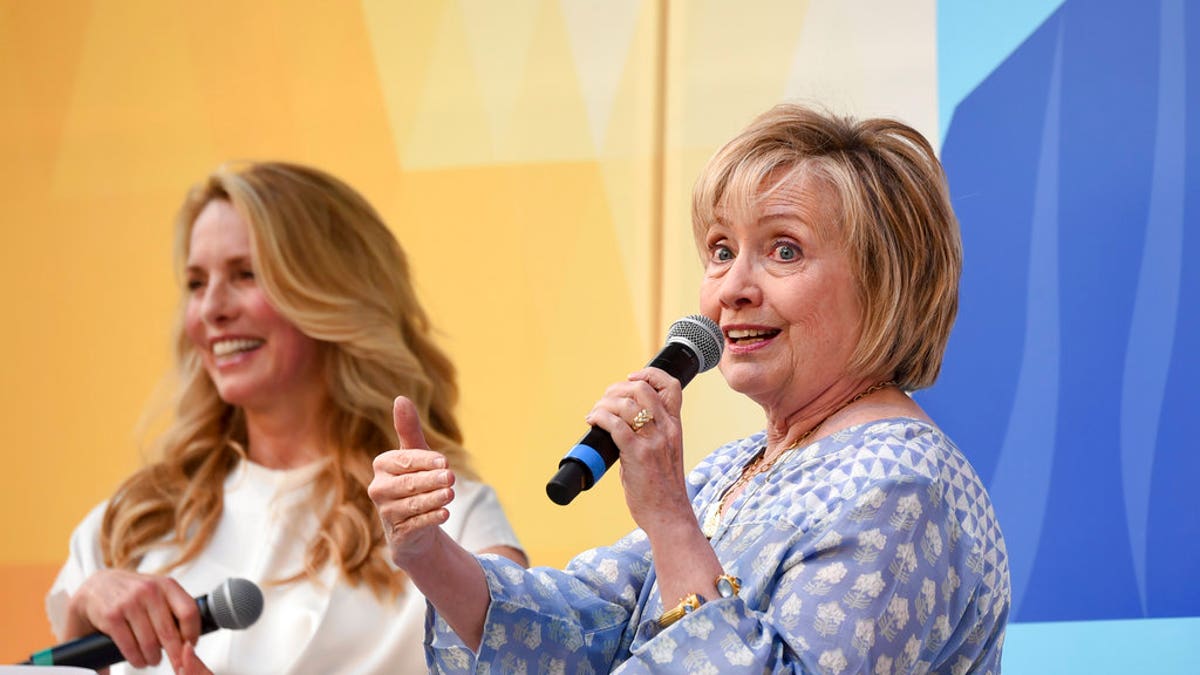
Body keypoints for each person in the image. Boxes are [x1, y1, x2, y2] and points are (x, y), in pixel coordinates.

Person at [370, 103, 1010, 673]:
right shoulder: (732, 470)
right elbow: (581, 629)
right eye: (721, 248)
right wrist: (426, 551)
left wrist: (671, 519)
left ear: (884, 281)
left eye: (784, 250)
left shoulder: (900, 485)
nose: (732, 288)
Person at [45, 161, 527, 674]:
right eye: (195, 282)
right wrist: (80, 622)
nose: (211, 309)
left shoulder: (448, 519)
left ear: (332, 292)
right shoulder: (129, 523)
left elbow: (527, 659)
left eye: (246, 274)